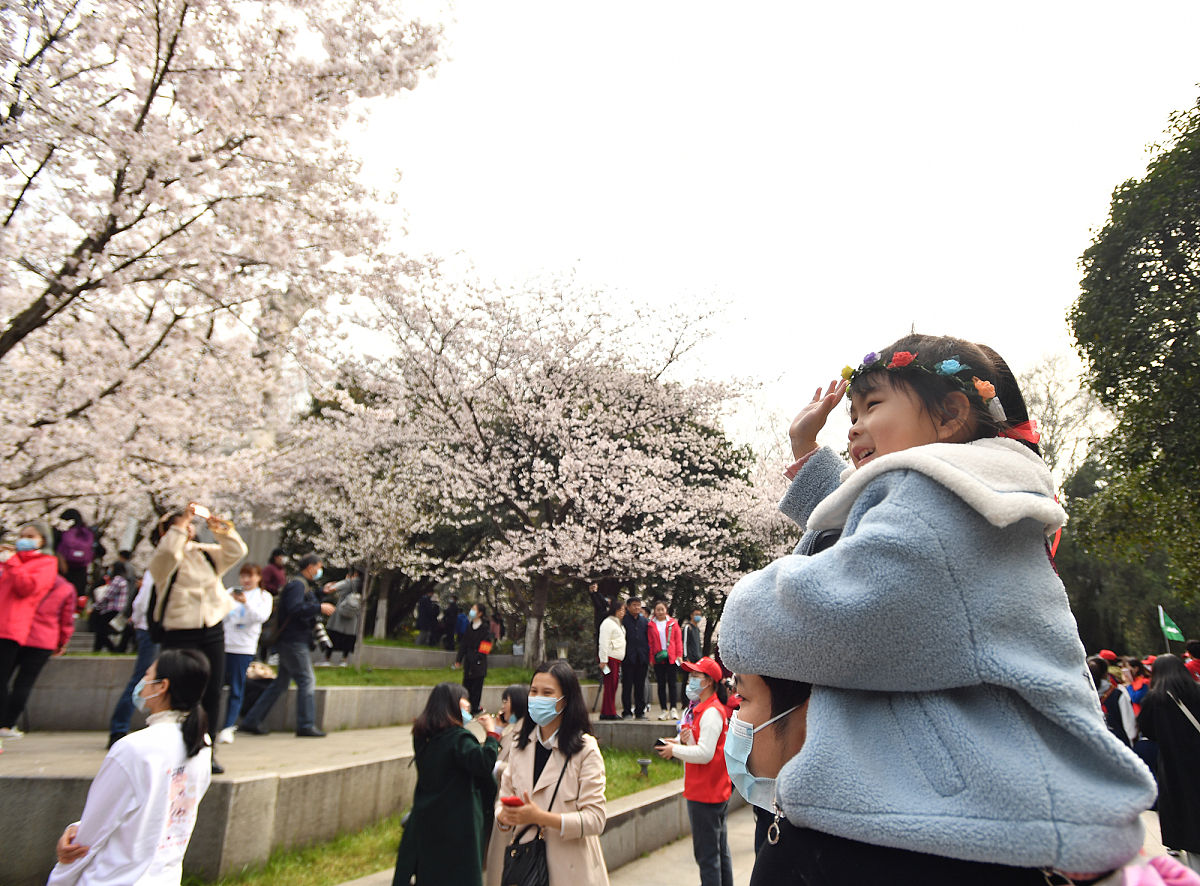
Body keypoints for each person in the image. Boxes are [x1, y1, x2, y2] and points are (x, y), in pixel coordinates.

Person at [719, 334, 1157, 881]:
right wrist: (808, 454)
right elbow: (868, 527)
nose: (852, 426)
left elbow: (849, 606)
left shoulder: (939, 500)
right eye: (850, 413)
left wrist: (742, 606)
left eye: (872, 406)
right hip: (970, 809)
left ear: (950, 415)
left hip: (948, 825)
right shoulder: (967, 495)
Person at [47, 649, 213, 886]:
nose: (142, 682)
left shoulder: (134, 748)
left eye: (147, 675)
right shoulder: (201, 743)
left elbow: (91, 835)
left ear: (162, 686)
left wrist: (65, 861)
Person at [489, 660, 609, 886]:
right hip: (527, 866)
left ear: (565, 700)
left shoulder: (585, 749)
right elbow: (503, 799)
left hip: (572, 870)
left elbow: (596, 819)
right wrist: (503, 818)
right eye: (534, 691)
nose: (537, 698)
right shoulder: (519, 745)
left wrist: (542, 818)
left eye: (547, 693)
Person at [148, 505, 248, 772]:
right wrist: (178, 525)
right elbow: (169, 551)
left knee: (212, 691)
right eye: (181, 525)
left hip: (211, 626)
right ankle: (174, 748)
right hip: (180, 630)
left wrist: (219, 527)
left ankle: (207, 749)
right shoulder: (163, 558)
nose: (188, 527)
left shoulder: (203, 554)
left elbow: (236, 552)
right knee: (180, 693)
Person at [392, 682, 501, 886]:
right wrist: (492, 735)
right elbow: (484, 764)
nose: (468, 708)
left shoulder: (422, 737)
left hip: (428, 816)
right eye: (465, 704)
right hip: (459, 823)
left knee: (432, 872)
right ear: (451, 705)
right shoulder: (459, 739)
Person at [656, 657, 733, 886]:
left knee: (708, 857)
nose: (690, 680)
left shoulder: (711, 713)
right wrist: (678, 742)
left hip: (705, 794)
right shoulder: (706, 710)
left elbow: (705, 753)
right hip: (714, 790)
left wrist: (674, 750)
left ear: (709, 682)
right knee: (720, 852)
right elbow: (699, 744)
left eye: (695, 676)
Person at [238, 554, 334, 738]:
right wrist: (319, 607)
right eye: (318, 567)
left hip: (291, 641)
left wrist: (322, 593)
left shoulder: (300, 585)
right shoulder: (298, 585)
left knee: (280, 683)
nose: (319, 571)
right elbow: (294, 608)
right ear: (311, 567)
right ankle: (305, 724)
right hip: (293, 641)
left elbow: (303, 601)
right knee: (306, 680)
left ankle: (252, 720)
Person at [1137, 654, 1200, 873]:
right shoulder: (1197, 691)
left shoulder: (1154, 699)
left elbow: (1148, 731)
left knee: (1185, 812)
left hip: (1173, 764)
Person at [0, 520, 59, 738]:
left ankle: (3, 724)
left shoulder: (46, 563)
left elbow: (27, 588)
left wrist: (13, 562)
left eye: (32, 536)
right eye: (23, 535)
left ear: (43, 540)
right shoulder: (12, 561)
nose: (25, 539)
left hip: (10, 627)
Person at [0, 571, 75, 738]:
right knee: (24, 683)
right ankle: (7, 725)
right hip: (43, 640)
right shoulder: (66, 587)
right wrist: (62, 642)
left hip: (15, 634)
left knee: (3, 678)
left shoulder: (27, 580)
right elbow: (66, 619)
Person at [218, 564, 273, 744]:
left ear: (258, 577)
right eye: (243, 576)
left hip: (244, 647)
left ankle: (228, 726)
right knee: (215, 686)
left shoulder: (264, 597)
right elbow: (220, 613)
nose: (246, 580)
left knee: (236, 686)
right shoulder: (230, 592)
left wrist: (245, 603)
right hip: (224, 643)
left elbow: (260, 617)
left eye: (250, 576)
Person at [107, 569, 161, 748]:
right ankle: (119, 728)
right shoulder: (158, 566)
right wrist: (141, 624)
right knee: (142, 678)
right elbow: (142, 602)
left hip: (160, 629)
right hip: (153, 629)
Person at [1089, 655, 1136, 746]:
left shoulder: (1082, 696)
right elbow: (1131, 730)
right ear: (1106, 674)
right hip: (1119, 748)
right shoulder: (1117, 694)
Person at [321, 564, 363, 666]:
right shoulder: (364, 584)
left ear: (355, 573)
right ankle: (344, 660)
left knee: (334, 635)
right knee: (348, 637)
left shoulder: (349, 582)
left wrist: (342, 581)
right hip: (353, 615)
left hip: (340, 614)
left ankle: (327, 659)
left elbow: (330, 589)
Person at [647, 600, 682, 720]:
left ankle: (673, 708)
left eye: (662, 609)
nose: (660, 612)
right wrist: (651, 658)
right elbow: (650, 643)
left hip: (671, 657)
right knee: (661, 684)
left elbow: (678, 640)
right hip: (658, 657)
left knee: (672, 683)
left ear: (666, 610)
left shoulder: (673, 623)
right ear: (655, 611)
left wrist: (679, 655)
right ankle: (663, 709)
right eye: (658, 609)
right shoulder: (651, 625)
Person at [457, 601, 491, 714]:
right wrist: (459, 659)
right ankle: (464, 709)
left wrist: (477, 658)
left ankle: (475, 709)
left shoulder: (485, 628)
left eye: (474, 609)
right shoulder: (469, 626)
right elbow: (463, 644)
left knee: (476, 687)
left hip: (479, 663)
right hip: (468, 662)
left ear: (480, 613)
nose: (471, 611)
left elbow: (486, 647)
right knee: (466, 686)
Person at [57, 508, 99, 597]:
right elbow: (101, 550)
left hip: (63, 570)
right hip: (81, 572)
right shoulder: (87, 533)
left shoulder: (62, 532)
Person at [89, 562, 130, 653]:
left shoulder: (117, 580)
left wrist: (96, 606)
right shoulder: (123, 580)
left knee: (101, 630)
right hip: (117, 609)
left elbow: (108, 595)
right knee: (101, 630)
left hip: (111, 609)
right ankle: (97, 648)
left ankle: (112, 648)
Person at [597, 597, 626, 720]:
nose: (623, 612)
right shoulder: (607, 623)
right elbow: (603, 642)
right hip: (609, 659)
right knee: (609, 685)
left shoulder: (618, 624)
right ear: (615, 610)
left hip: (616, 659)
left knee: (613, 685)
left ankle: (607, 710)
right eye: (621, 609)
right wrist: (603, 660)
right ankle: (609, 712)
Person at [621, 596, 649, 719]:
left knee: (640, 686)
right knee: (627, 686)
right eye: (634, 605)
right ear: (628, 607)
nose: (637, 607)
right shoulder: (623, 620)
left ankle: (640, 711)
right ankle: (626, 711)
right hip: (628, 657)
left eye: (639, 605)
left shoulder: (644, 621)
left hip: (642, 658)